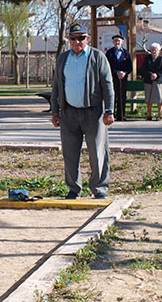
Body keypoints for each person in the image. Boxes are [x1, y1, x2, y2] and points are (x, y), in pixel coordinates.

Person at [51, 23, 115, 199]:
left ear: (88, 39)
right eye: (73, 38)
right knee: (70, 153)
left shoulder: (97, 56)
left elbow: (107, 85)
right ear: (69, 40)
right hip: (69, 113)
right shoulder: (63, 58)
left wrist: (109, 110)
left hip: (93, 112)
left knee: (97, 152)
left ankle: (99, 188)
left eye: (81, 38)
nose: (77, 41)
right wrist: (55, 111)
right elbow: (56, 86)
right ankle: (73, 189)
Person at [105, 34, 132, 121]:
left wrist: (124, 72)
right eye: (115, 40)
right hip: (113, 78)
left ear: (122, 42)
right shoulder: (109, 53)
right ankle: (111, 115)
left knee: (122, 96)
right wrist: (116, 72)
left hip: (123, 79)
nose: (117, 42)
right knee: (113, 96)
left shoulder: (126, 53)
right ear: (113, 42)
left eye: (119, 41)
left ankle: (121, 115)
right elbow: (107, 66)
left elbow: (129, 66)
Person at [140, 43, 162, 121]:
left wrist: (156, 75)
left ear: (159, 51)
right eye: (152, 50)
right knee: (149, 99)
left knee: (160, 99)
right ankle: (149, 115)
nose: (153, 51)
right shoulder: (147, 58)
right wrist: (151, 74)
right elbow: (143, 68)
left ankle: (159, 115)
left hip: (159, 81)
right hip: (149, 81)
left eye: (155, 50)